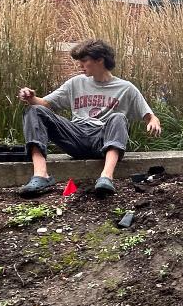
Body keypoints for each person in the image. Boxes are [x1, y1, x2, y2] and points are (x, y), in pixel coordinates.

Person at [16, 39, 161, 197]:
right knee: (34, 111)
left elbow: (150, 116)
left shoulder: (126, 88)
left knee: (118, 117)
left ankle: (106, 177)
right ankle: (40, 175)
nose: (80, 65)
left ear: (100, 60)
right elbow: (44, 104)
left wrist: (153, 122)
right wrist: (31, 98)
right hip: (76, 137)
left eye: (84, 61)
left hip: (103, 139)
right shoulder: (75, 83)